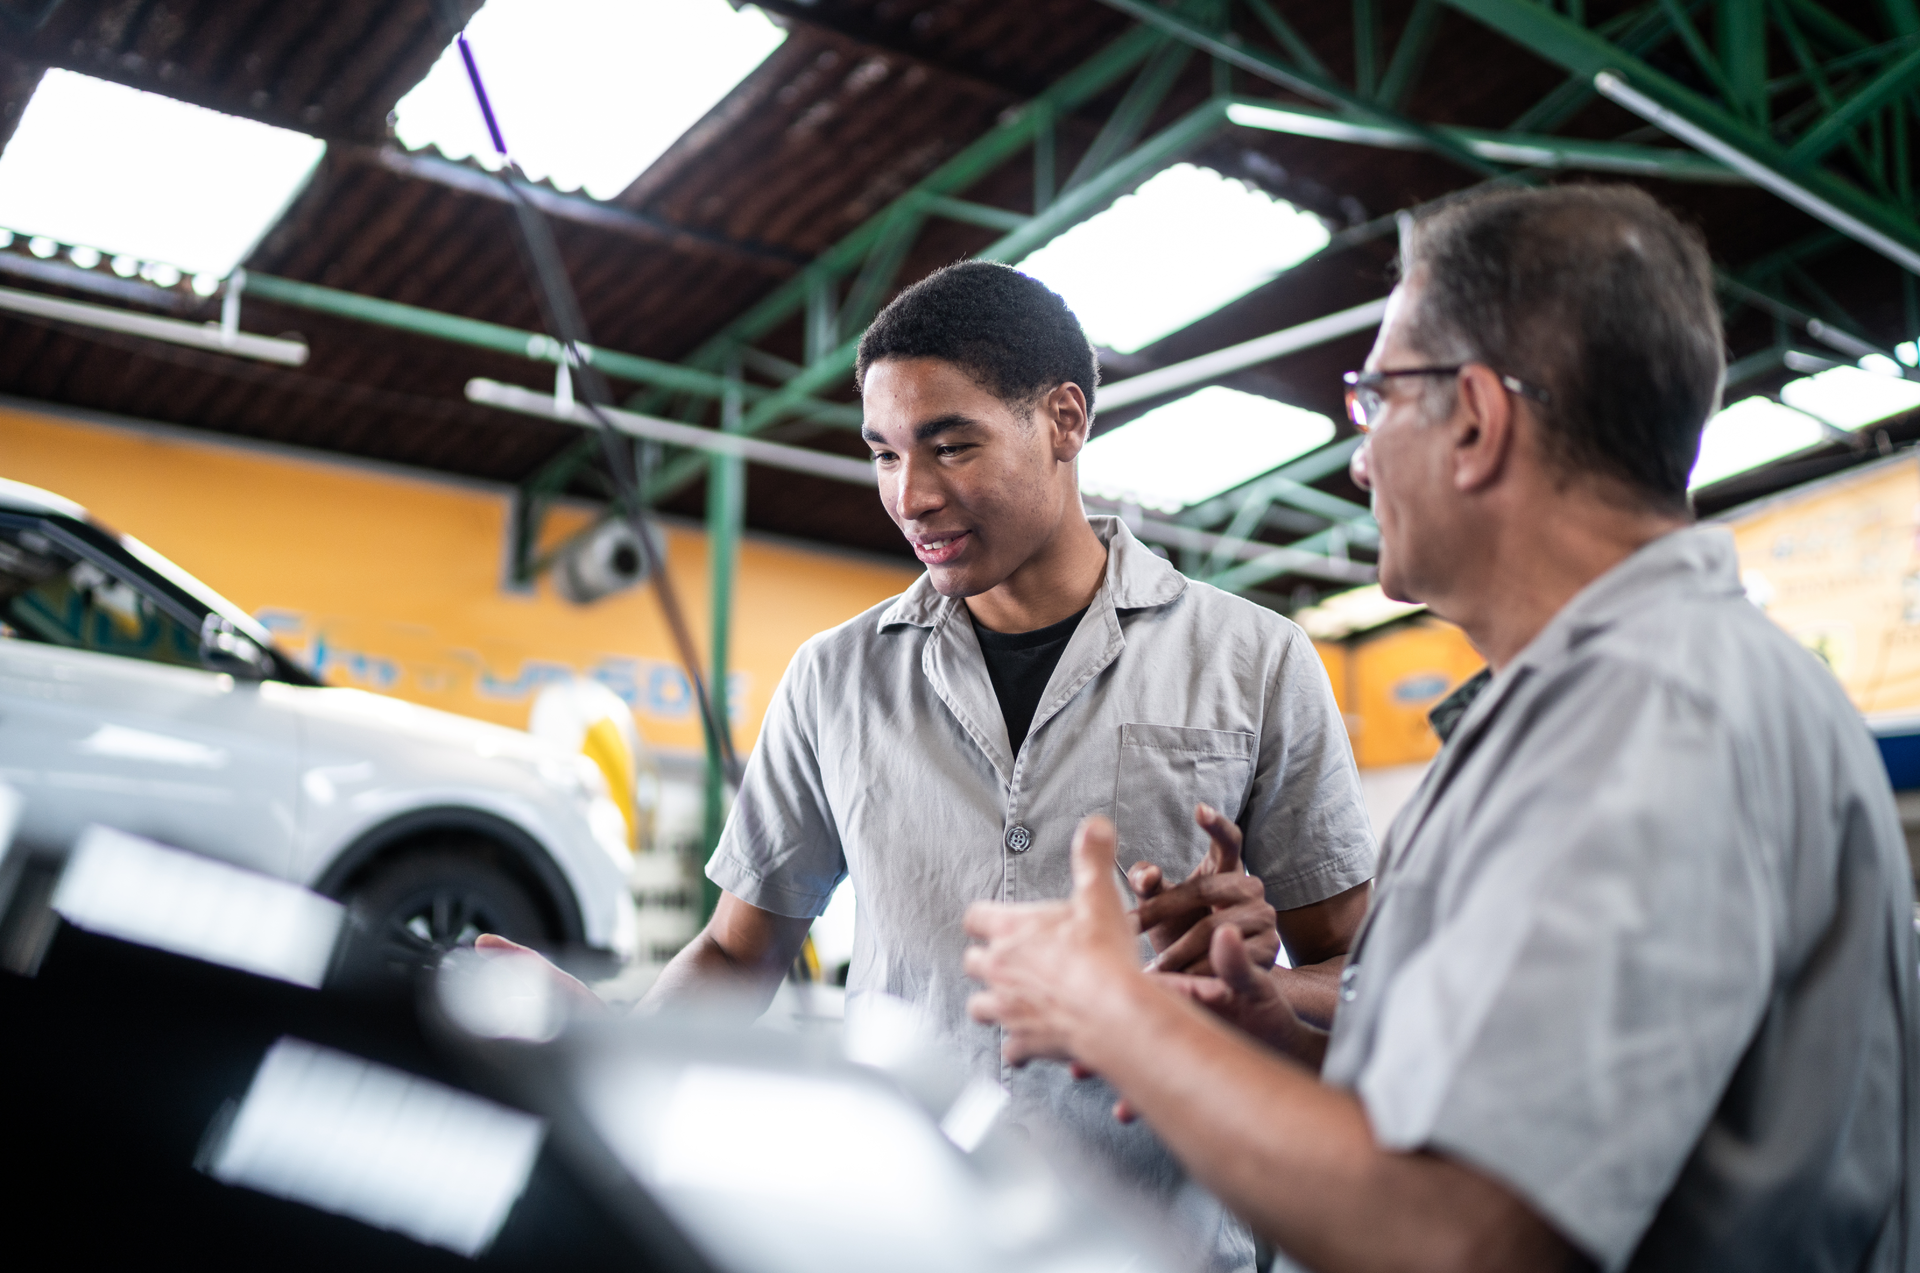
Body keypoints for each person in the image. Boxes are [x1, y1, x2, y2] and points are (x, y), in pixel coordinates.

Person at [964, 185, 1918, 1273]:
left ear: (1475, 418)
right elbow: (1529, 1106)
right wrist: (1296, 1044)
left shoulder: (1648, 717)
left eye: (1376, 397)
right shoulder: (1622, 700)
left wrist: (1118, 1018)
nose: (1360, 459)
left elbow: (1469, 1234)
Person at [487, 261, 1378, 1270]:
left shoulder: (1254, 661)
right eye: (882, 454)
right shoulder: (834, 678)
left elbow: (1357, 980)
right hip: (902, 1234)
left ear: (1064, 420)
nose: (911, 497)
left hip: (1159, 1242)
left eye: (951, 445)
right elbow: (742, 953)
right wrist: (606, 1048)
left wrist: (1244, 985)